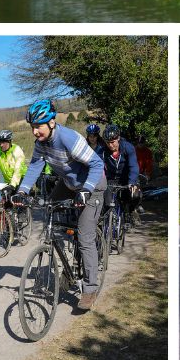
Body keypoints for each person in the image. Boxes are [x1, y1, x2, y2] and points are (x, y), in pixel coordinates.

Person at [13, 98, 106, 310]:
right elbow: (34, 167)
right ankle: (69, 263)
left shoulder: (68, 138)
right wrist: (22, 191)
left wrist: (86, 190)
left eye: (38, 127)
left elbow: (97, 164)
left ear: (52, 123)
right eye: (32, 127)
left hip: (93, 184)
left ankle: (90, 289)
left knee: (85, 236)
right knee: (50, 211)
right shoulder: (41, 144)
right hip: (69, 184)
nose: (35, 131)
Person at [101, 123, 142, 220]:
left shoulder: (128, 147)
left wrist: (132, 182)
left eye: (113, 142)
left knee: (135, 194)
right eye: (107, 142)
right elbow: (98, 167)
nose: (110, 145)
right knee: (106, 202)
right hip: (111, 179)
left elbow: (133, 166)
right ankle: (109, 223)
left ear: (118, 138)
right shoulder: (102, 151)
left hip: (127, 178)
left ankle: (132, 209)